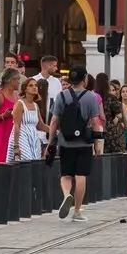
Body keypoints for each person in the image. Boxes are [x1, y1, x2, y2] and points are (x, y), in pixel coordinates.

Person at [48, 67, 103, 219]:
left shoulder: (61, 96)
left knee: (66, 174)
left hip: (65, 141)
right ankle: (77, 211)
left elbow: (54, 121)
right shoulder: (91, 97)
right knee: (81, 176)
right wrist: (98, 143)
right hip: (84, 143)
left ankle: (66, 194)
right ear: (84, 78)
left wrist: (51, 141)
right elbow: (95, 122)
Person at [0, 68, 21, 165]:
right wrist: (3, 116)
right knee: (0, 161)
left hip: (14, 134)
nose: (19, 82)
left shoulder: (16, 95)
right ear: (12, 81)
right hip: (1, 135)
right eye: (18, 79)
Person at [16, 77, 45, 162]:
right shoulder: (19, 104)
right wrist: (16, 146)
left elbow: (41, 125)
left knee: (35, 162)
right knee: (26, 161)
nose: (34, 87)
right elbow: (16, 125)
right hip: (21, 136)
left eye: (36, 85)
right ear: (25, 89)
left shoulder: (36, 105)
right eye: (31, 85)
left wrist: (54, 130)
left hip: (33, 137)